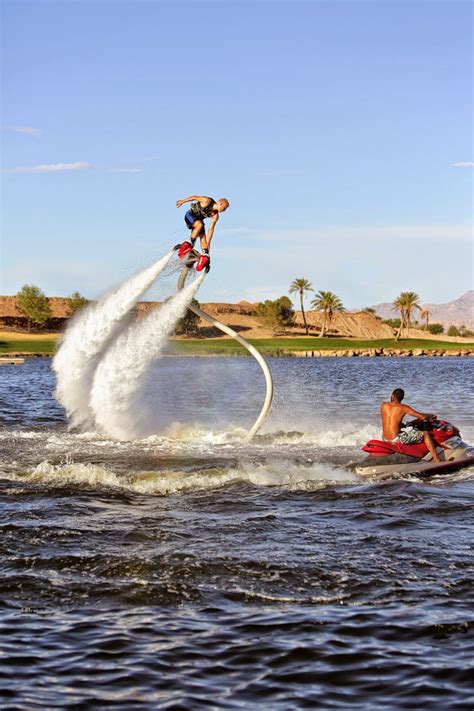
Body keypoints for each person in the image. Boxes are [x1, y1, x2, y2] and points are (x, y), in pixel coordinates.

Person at [381, 388, 441, 462]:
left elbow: (390, 421)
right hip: (395, 439)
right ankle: (437, 459)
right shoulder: (404, 408)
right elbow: (422, 417)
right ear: (402, 398)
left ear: (392, 395)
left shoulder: (384, 405)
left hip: (385, 438)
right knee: (425, 434)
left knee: (404, 432)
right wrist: (431, 415)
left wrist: (401, 425)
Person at [175, 195, 230, 265]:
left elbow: (211, 229)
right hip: (189, 215)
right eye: (224, 208)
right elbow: (194, 197)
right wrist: (182, 201)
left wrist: (208, 243)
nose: (224, 211)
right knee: (200, 225)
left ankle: (205, 256)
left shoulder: (215, 216)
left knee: (203, 237)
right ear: (220, 203)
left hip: (198, 221)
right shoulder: (207, 201)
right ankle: (189, 243)